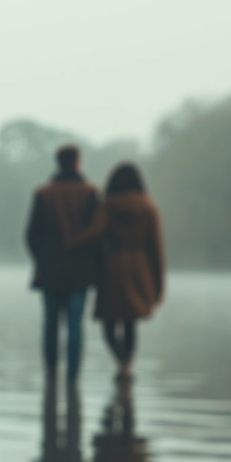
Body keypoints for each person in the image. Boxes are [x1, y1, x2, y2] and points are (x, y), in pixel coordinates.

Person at [71, 162, 166, 381]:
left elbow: (93, 234)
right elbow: (157, 250)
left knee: (108, 321)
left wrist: (72, 241)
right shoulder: (149, 208)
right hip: (139, 268)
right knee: (131, 322)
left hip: (113, 268)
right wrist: (159, 286)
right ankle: (127, 366)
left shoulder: (108, 206)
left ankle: (120, 361)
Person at [24, 144, 101, 383]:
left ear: (58, 162)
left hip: (49, 271)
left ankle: (50, 375)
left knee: (50, 325)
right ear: (78, 162)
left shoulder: (43, 193)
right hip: (80, 272)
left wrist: (41, 259)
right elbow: (97, 235)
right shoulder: (90, 193)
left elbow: (30, 234)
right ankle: (72, 378)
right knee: (75, 326)